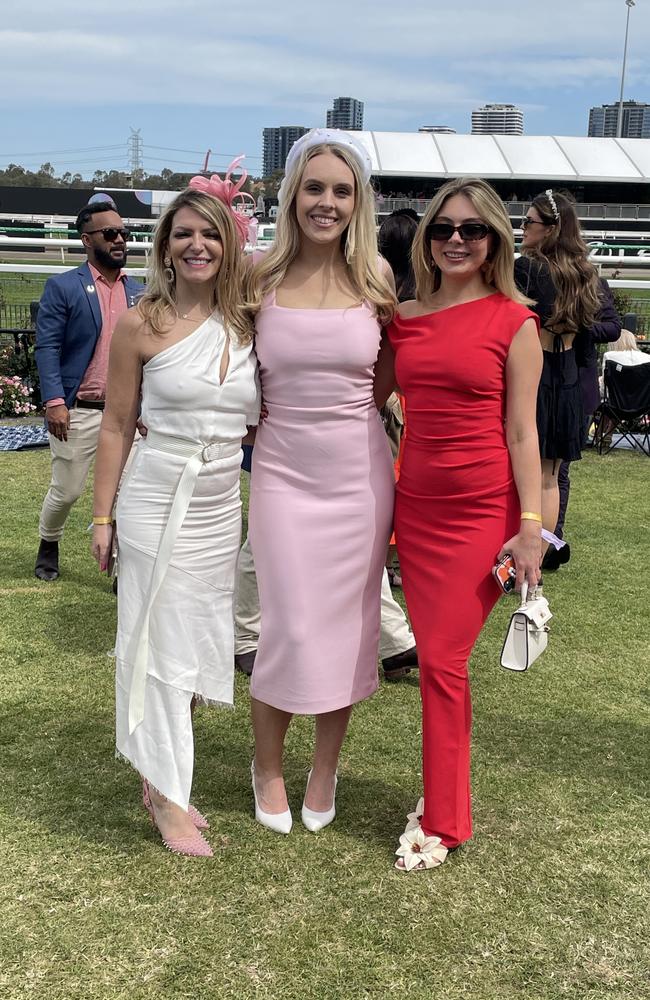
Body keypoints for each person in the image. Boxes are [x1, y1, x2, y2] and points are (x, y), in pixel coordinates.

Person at [91, 166, 259, 857]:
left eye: (208, 234)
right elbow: (115, 425)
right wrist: (102, 518)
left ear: (227, 243)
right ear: (165, 247)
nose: (196, 245)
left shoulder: (248, 322)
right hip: (158, 496)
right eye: (182, 234)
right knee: (158, 645)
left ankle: (163, 773)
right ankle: (165, 793)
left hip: (222, 503)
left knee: (194, 646)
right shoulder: (141, 324)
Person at [377, 177, 543, 871]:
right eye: (443, 228)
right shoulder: (404, 317)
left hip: (483, 516)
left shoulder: (515, 321)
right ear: (426, 238)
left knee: (442, 661)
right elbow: (367, 391)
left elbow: (523, 433)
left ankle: (446, 817)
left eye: (472, 230)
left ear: (494, 241)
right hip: (414, 511)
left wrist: (531, 525)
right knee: (439, 660)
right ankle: (445, 803)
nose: (455, 239)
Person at [244, 128, 396, 834]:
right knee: (291, 626)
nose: (326, 202)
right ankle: (266, 765)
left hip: (359, 478)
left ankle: (324, 767)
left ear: (357, 202)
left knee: (347, 629)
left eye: (341, 190)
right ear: (292, 196)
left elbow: (384, 378)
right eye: (314, 188)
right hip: (280, 473)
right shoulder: (257, 277)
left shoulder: (378, 281)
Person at [34, 201, 142, 580]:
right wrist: (54, 401)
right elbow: (47, 347)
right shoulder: (63, 287)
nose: (119, 240)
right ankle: (49, 541)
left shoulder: (140, 293)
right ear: (86, 240)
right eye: (109, 233)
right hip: (77, 410)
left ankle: (119, 569)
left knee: (126, 495)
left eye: (123, 233)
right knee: (67, 491)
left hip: (126, 415)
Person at [514, 190, 603, 561]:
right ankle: (540, 556)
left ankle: (515, 550)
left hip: (532, 373)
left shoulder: (527, 269)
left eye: (528, 222)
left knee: (520, 468)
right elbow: (587, 341)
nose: (523, 229)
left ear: (550, 229)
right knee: (550, 476)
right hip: (567, 374)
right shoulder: (584, 273)